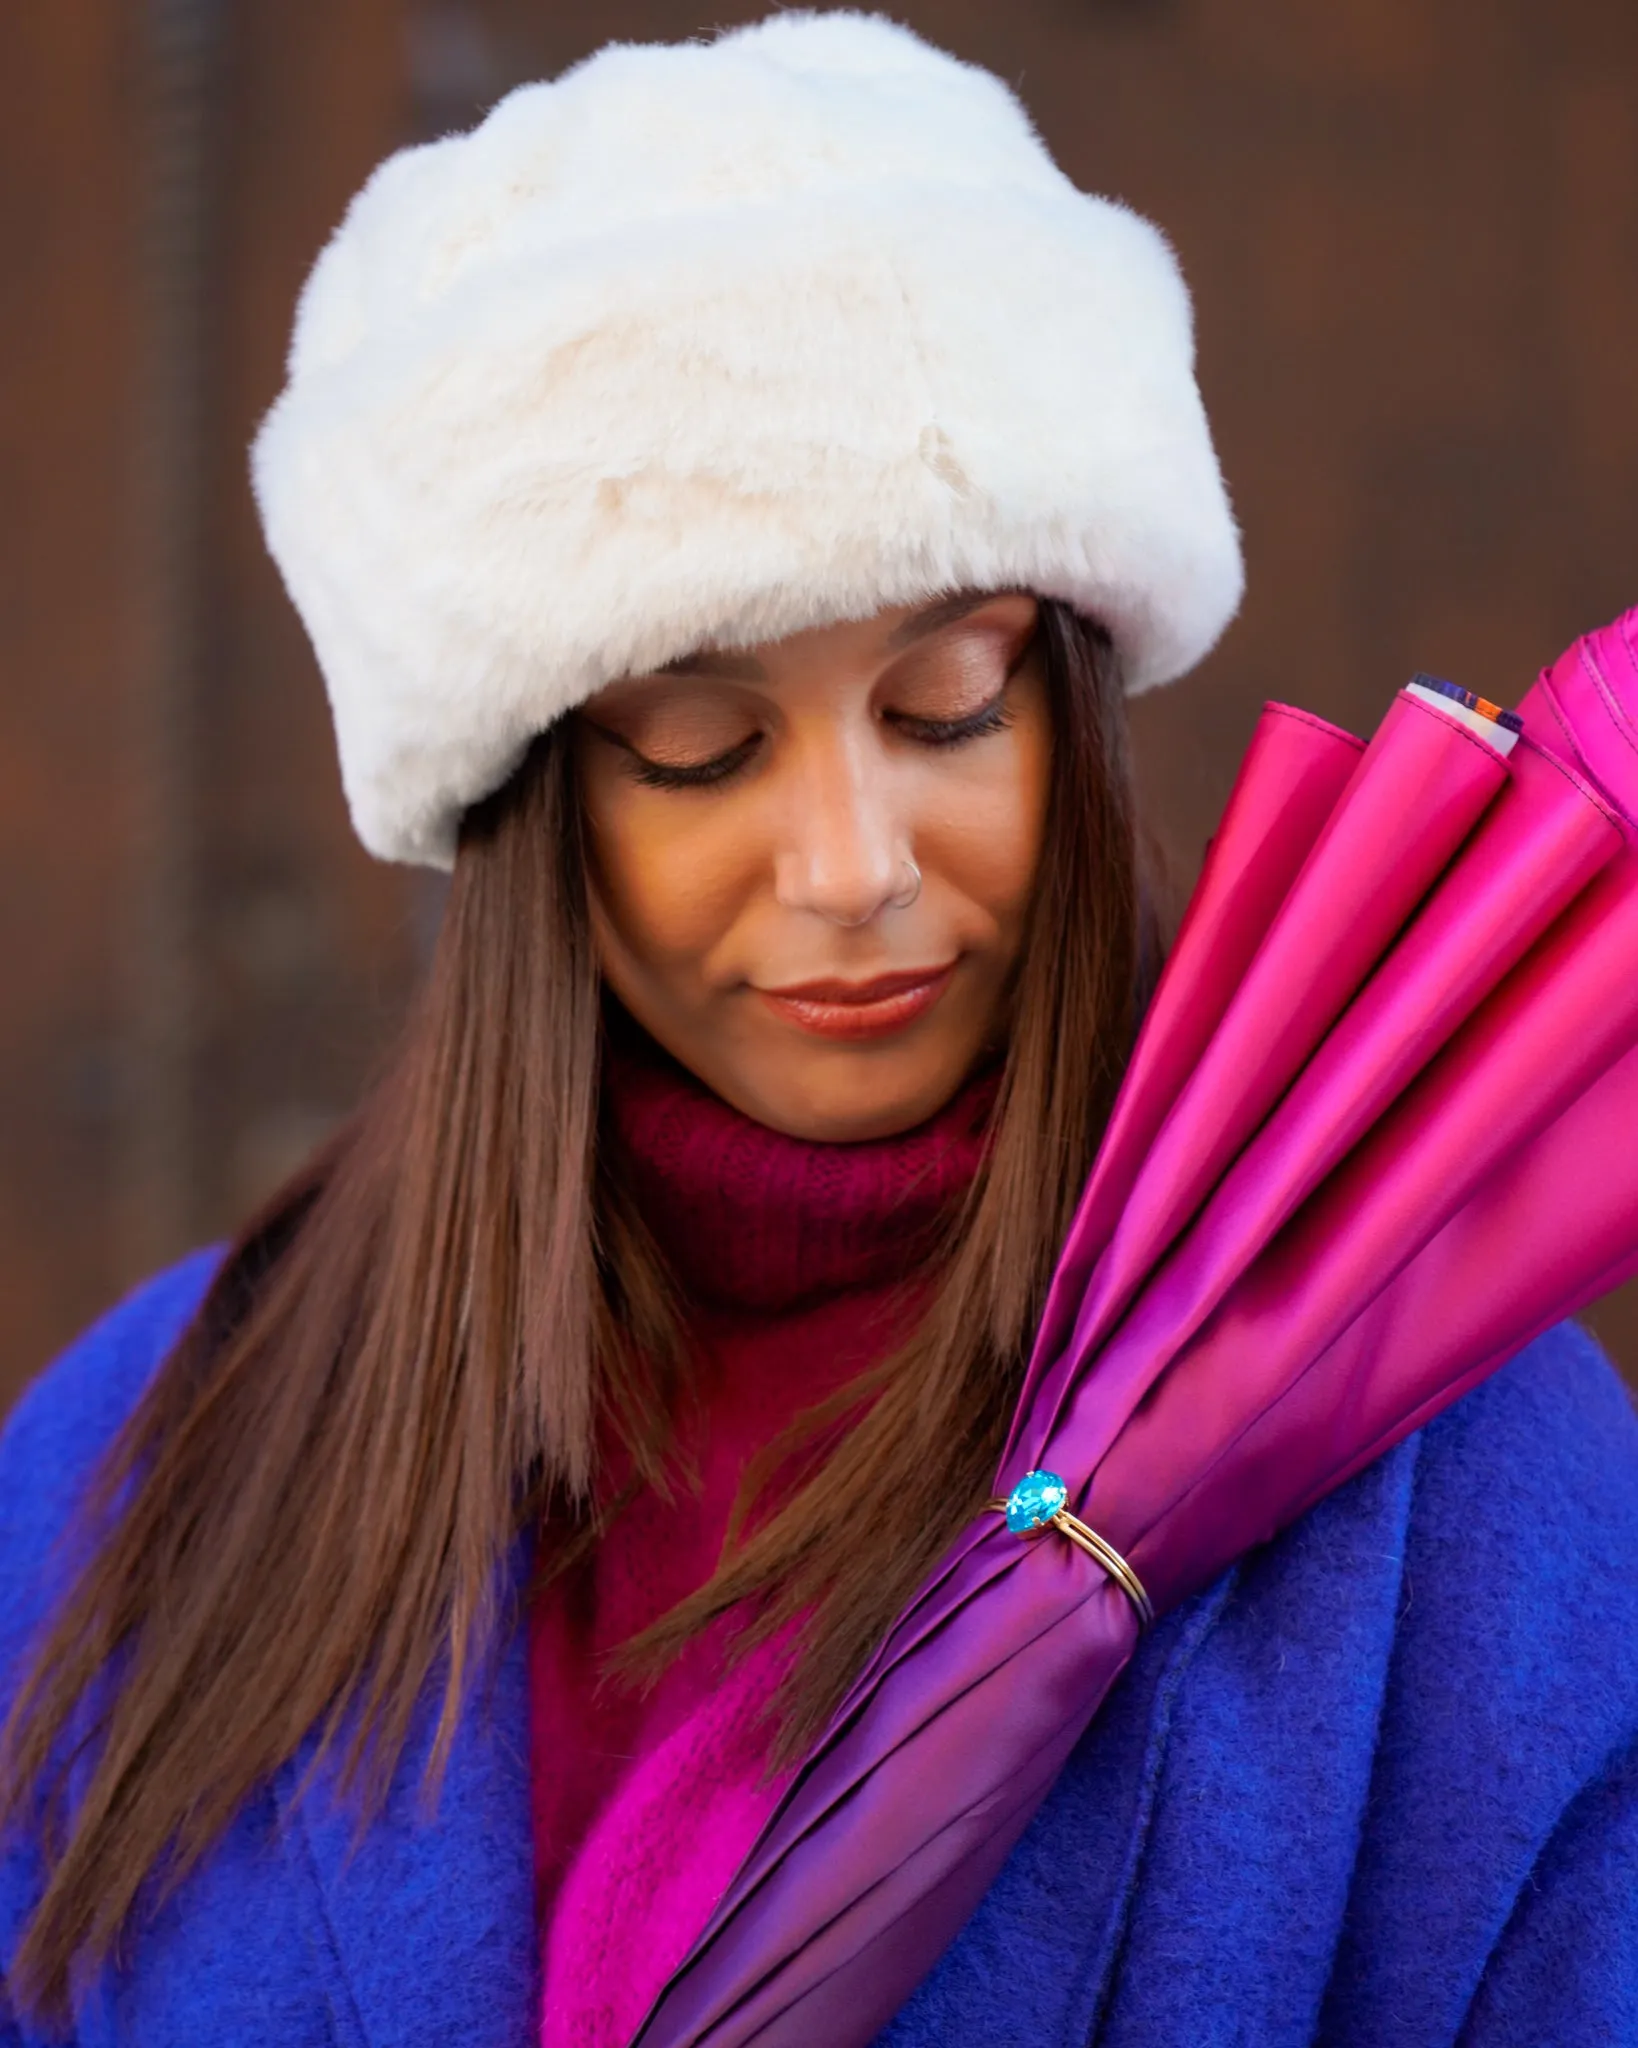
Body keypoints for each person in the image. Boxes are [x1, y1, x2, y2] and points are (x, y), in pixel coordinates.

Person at [3, 14, 1637, 2047]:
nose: (852, 860)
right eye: (695, 744)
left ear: (1073, 711)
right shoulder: (129, 1475)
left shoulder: (1452, 1468)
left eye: (948, 701)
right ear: (531, 815)